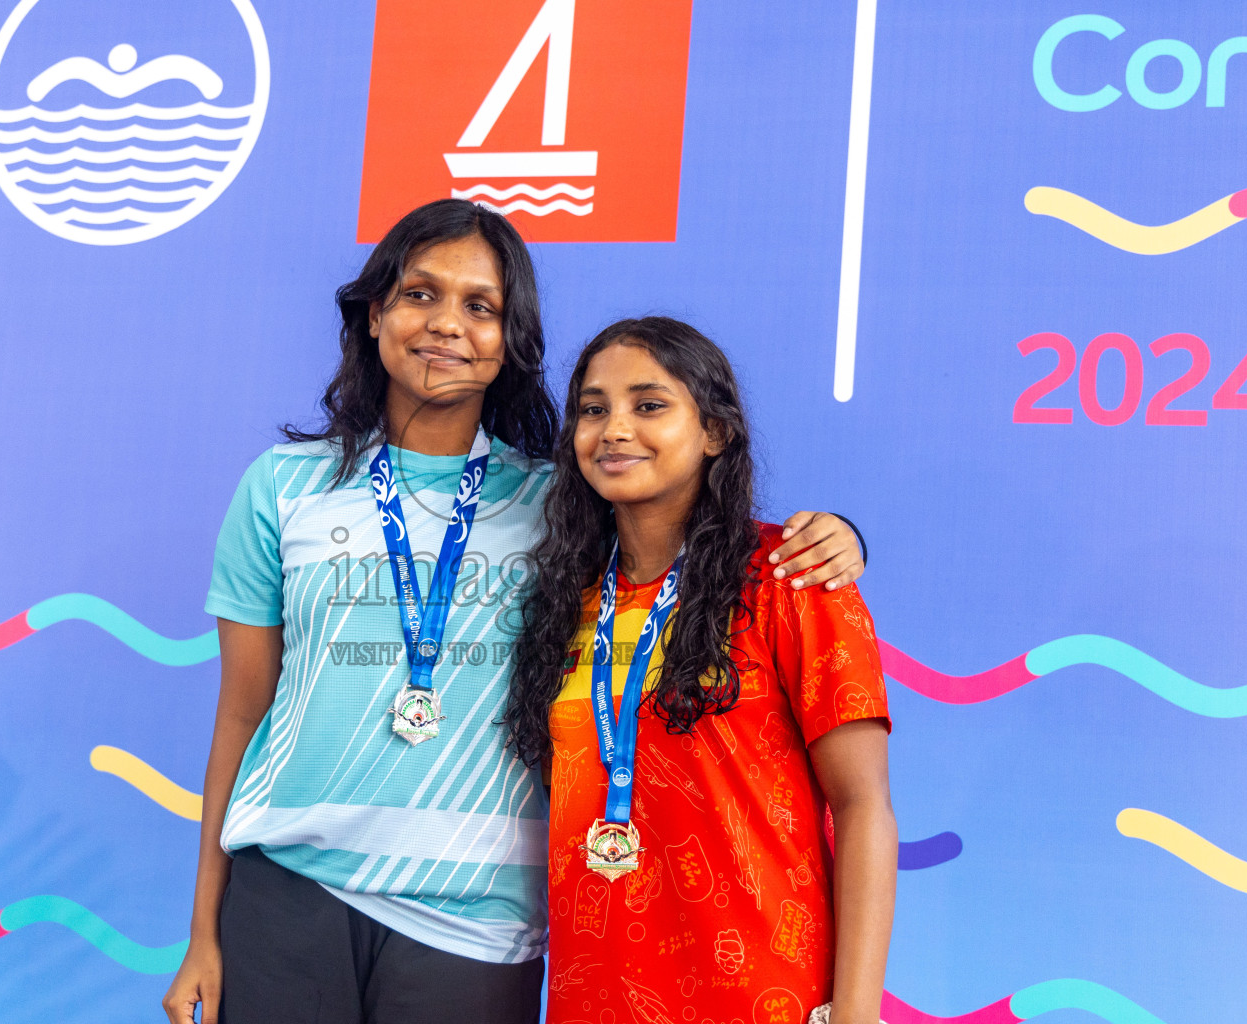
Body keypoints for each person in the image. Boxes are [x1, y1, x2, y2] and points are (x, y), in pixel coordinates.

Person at [162, 202, 868, 1024]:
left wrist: (843, 536)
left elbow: (680, 530)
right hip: (289, 891)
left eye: (481, 307)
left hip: (477, 918)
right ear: (376, 312)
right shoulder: (282, 487)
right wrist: (202, 930)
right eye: (420, 294)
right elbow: (242, 713)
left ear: (513, 339)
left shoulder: (560, 503)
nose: (446, 326)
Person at [505, 318, 896, 1024]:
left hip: (759, 995)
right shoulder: (565, 599)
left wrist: (859, 1011)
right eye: (593, 410)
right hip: (592, 996)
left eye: (648, 405)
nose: (615, 429)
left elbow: (864, 806)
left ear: (715, 431)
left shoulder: (791, 575)